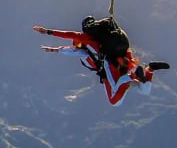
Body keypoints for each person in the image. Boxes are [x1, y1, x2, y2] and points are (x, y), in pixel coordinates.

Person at [33, 17, 167, 106]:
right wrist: (50, 37)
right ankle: (149, 69)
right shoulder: (107, 34)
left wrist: (52, 42)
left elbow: (71, 41)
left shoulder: (86, 42)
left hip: (112, 68)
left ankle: (137, 76)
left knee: (114, 101)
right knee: (144, 90)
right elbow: (70, 40)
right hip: (127, 64)